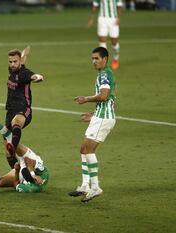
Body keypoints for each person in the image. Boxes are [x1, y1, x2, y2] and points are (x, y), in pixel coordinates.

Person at [69, 47, 116, 203]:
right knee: (84, 150)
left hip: (104, 118)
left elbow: (103, 97)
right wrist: (93, 115)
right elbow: (109, 99)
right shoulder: (104, 74)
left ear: (105, 59)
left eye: (97, 58)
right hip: (101, 116)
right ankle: (85, 185)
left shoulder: (104, 75)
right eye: (92, 58)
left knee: (87, 150)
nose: (94, 61)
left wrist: (86, 99)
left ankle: (95, 187)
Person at [2, 46, 44, 166]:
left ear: (19, 61)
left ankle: (13, 146)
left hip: (23, 109)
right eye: (10, 62)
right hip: (10, 110)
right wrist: (24, 54)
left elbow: (32, 75)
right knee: (7, 152)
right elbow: (22, 61)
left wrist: (38, 77)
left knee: (16, 121)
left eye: (15, 61)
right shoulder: (12, 69)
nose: (12, 64)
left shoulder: (24, 74)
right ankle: (16, 173)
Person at [87, 0, 123, 70]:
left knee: (114, 42)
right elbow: (95, 5)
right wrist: (91, 18)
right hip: (102, 19)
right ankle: (103, 62)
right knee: (102, 41)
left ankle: (116, 59)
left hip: (113, 19)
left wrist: (118, 18)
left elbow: (119, 6)